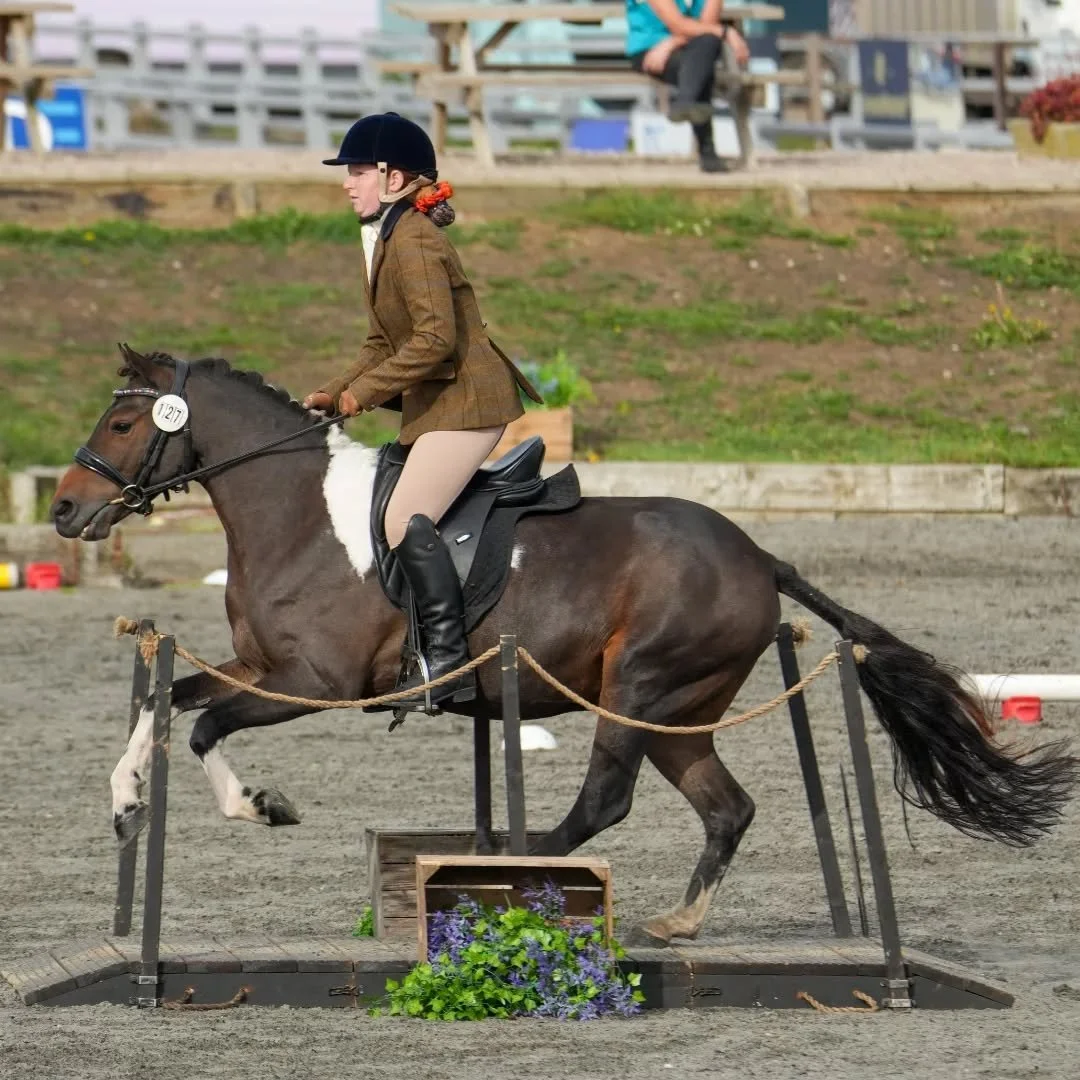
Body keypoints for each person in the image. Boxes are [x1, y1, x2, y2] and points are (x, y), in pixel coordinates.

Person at [303, 112, 543, 710]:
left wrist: (366, 395)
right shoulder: (387, 238)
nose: (346, 183)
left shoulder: (413, 242)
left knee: (403, 519)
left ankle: (448, 662)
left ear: (394, 177)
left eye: (357, 171)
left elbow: (434, 340)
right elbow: (383, 343)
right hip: (440, 403)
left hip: (469, 402)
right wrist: (336, 392)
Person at [625, 0, 751, 173]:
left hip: (685, 47)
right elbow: (678, 24)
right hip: (651, 51)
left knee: (704, 50)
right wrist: (726, 32)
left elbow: (707, 26)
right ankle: (708, 152)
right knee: (700, 65)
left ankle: (685, 100)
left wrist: (671, 43)